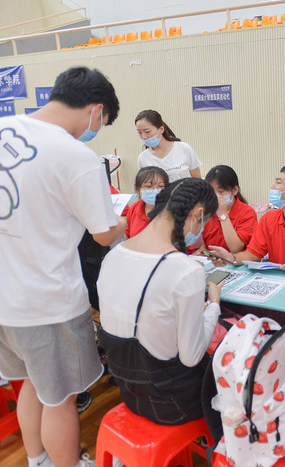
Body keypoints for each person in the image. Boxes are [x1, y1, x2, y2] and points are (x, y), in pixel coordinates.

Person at [0, 66, 126, 467]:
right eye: (102, 122)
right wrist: (126, 219)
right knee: (61, 398)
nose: (95, 130)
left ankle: (37, 460)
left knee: (31, 384)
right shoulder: (77, 156)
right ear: (96, 110)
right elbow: (104, 234)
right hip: (42, 305)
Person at [96, 178, 223, 426]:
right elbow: (192, 357)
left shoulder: (112, 256)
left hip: (128, 393)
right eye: (205, 222)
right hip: (175, 404)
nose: (201, 230)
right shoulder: (186, 270)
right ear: (197, 215)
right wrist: (214, 304)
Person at [200, 165, 257, 253]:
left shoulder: (247, 213)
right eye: (211, 192)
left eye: (220, 192)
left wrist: (223, 215)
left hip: (235, 260)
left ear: (235, 190)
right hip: (211, 259)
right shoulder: (208, 211)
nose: (215, 196)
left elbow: (235, 248)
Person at [135, 109, 202, 181]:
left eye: (147, 131)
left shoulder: (184, 148)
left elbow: (198, 181)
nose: (143, 136)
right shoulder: (143, 158)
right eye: (139, 132)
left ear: (161, 129)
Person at [120, 166, 169, 238]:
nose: (155, 190)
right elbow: (128, 234)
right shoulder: (134, 208)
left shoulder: (171, 210)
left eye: (160, 186)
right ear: (138, 189)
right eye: (149, 186)